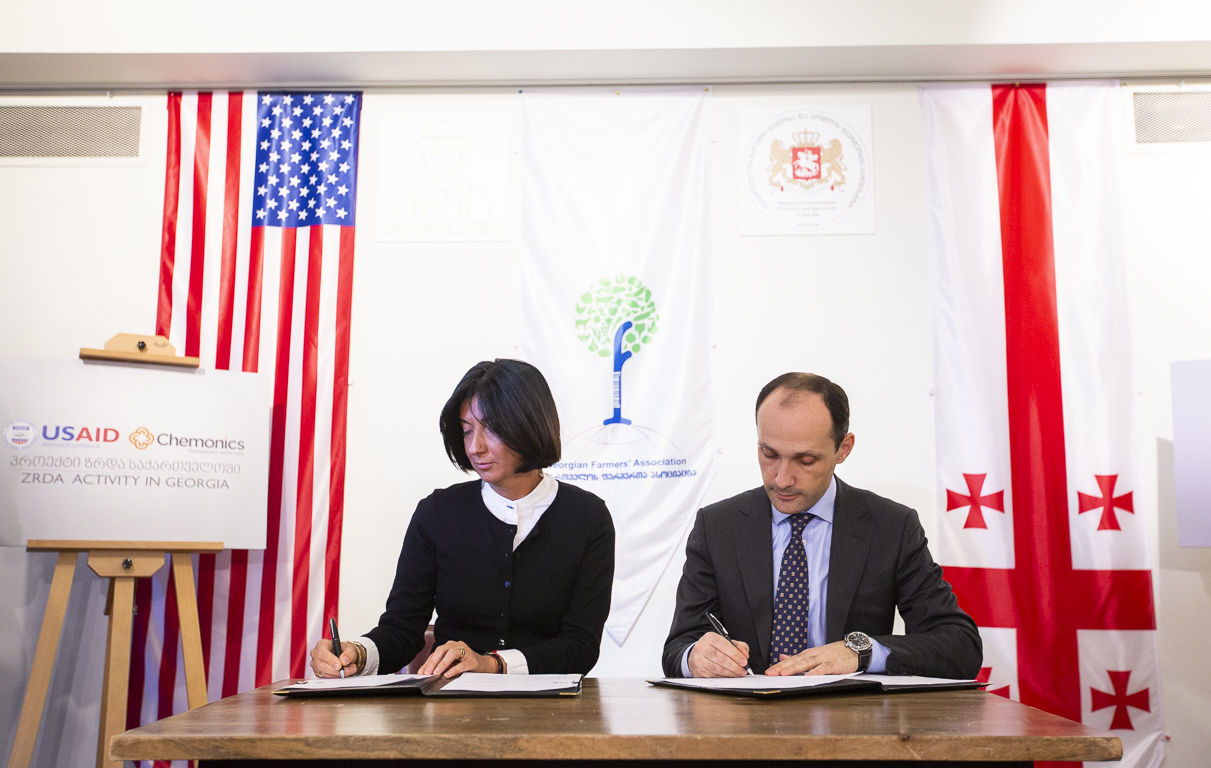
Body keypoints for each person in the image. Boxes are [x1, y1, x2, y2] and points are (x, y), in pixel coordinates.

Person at [662, 372, 981, 679]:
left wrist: (861, 652)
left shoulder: (891, 527)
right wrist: (696, 658)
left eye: (806, 460)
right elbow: (678, 649)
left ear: (843, 448)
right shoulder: (717, 527)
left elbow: (960, 646)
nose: (781, 479)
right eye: (769, 454)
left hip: (849, 714)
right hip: (746, 712)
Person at [310, 359, 615, 678]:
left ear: (530, 424)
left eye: (491, 429)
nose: (475, 448)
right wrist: (357, 654)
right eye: (467, 431)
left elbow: (581, 646)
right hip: (453, 700)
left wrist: (492, 664)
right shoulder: (437, 513)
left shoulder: (587, 517)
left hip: (551, 702)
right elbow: (402, 630)